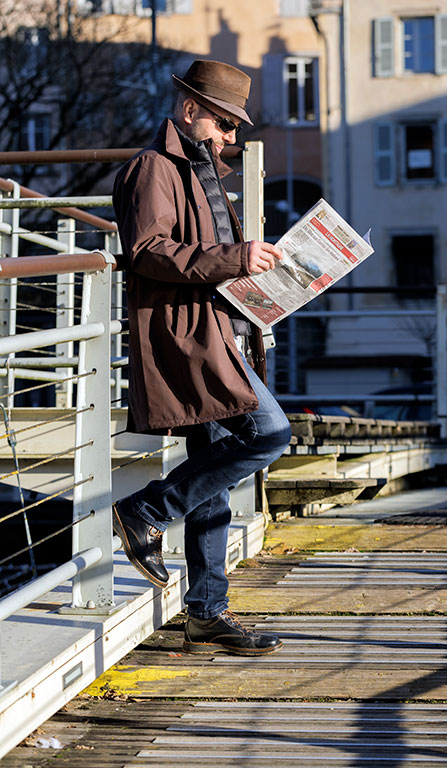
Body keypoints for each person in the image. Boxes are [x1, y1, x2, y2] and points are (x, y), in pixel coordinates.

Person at [112, 59, 291, 656]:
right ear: (191, 111)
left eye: (235, 128)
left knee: (213, 472)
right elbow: (148, 250)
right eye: (224, 123)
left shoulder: (200, 168)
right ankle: (144, 510)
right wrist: (238, 259)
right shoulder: (153, 168)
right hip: (189, 338)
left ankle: (207, 611)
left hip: (217, 331)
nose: (231, 138)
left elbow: (205, 253)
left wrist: (260, 283)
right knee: (269, 432)